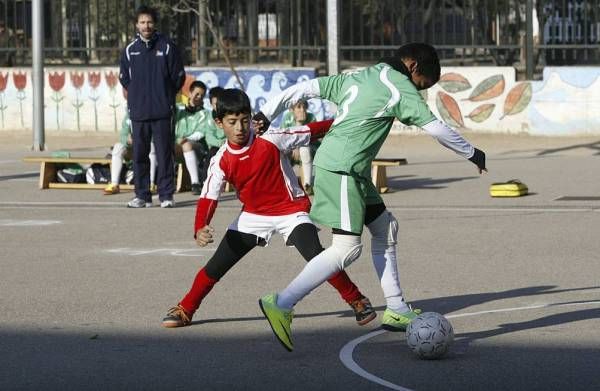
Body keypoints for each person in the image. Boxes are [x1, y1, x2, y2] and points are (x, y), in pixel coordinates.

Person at [254, 43, 488, 351]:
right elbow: (436, 128)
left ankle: (397, 309)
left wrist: (264, 113)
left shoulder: (361, 76)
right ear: (414, 67)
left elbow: (305, 89)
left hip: (351, 169)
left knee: (385, 228)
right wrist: (473, 153)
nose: (418, 91)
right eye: (422, 85)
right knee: (346, 250)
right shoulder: (398, 86)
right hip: (342, 170)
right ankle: (282, 303)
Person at [161, 89, 376, 329]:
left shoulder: (271, 137)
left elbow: (310, 131)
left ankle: (357, 299)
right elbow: (208, 197)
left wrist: (346, 121)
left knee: (318, 255)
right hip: (253, 217)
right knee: (215, 266)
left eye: (244, 120)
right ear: (219, 123)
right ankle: (186, 308)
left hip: (291, 212)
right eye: (232, 122)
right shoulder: (221, 159)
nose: (240, 128)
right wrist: (200, 227)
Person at [119, 5, 185, 208]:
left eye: (149, 22)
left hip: (162, 112)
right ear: (136, 25)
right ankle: (142, 195)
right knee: (139, 154)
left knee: (164, 154)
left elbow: (178, 77)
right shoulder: (130, 50)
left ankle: (166, 195)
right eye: (142, 22)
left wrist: (164, 96)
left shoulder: (167, 47)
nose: (146, 25)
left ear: (154, 24)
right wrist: (137, 99)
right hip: (138, 113)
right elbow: (125, 79)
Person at [173, 80, 213, 195]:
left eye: (201, 95)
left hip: (197, 148)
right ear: (190, 93)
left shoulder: (205, 114)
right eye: (196, 94)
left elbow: (200, 133)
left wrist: (186, 139)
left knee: (187, 145)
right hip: (179, 145)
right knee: (162, 146)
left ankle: (195, 184)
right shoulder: (179, 111)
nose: (198, 97)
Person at [104, 112, 157, 195]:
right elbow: (122, 135)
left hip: (146, 144)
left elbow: (155, 135)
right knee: (118, 147)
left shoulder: (149, 113)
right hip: (133, 147)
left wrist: (141, 139)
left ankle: (151, 183)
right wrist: (127, 140)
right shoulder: (128, 116)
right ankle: (114, 184)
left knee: (152, 146)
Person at [280, 99, 318, 195]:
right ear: (292, 110)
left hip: (310, 149)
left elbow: (313, 138)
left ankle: (307, 185)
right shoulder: (287, 117)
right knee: (281, 154)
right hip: (292, 150)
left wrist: (301, 124)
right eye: (299, 107)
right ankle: (283, 185)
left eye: (304, 107)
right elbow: (282, 139)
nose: (302, 110)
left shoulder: (311, 117)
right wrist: (294, 147)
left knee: (304, 150)